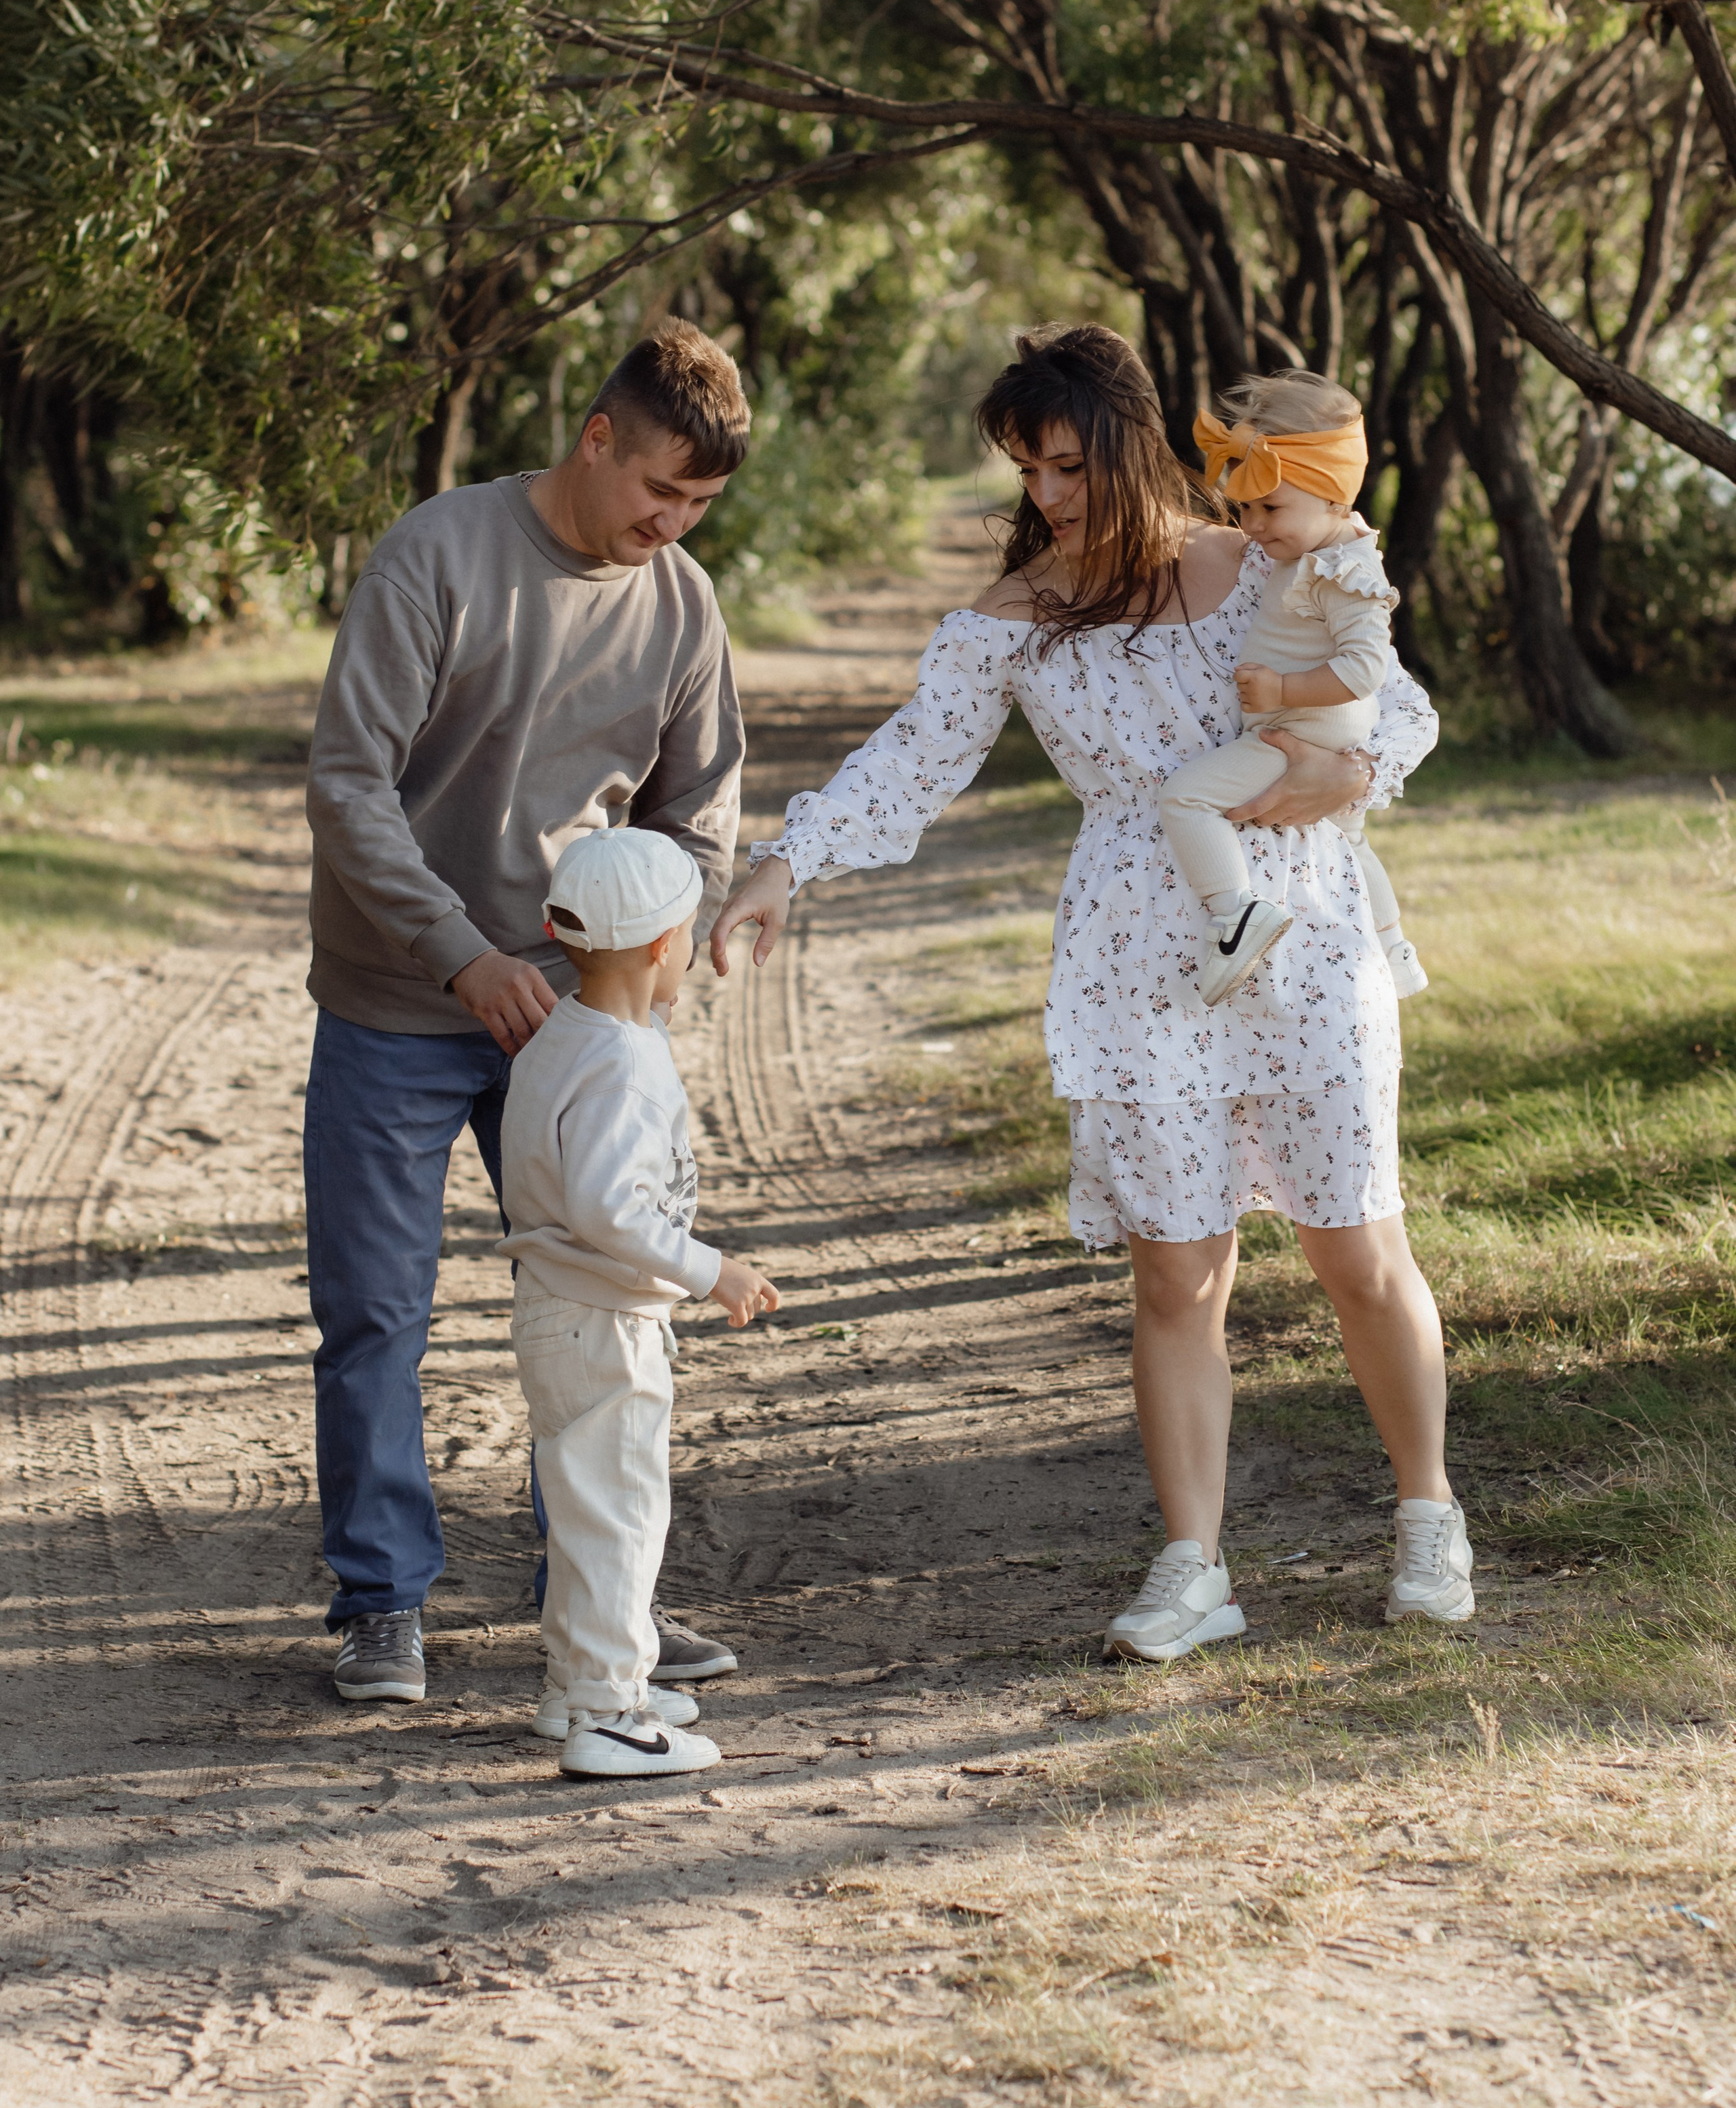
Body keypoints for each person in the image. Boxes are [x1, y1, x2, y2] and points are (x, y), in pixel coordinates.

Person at [711, 323, 1474, 1663]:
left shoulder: (1263, 556)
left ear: (1131, 444)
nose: (1047, 496)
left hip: (1299, 928)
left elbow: (1394, 703)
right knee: (1175, 1278)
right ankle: (1193, 1565)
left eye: (1067, 465)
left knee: (1357, 1250)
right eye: (1027, 470)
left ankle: (1426, 1514)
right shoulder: (1018, 618)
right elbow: (909, 764)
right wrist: (786, 862)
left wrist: (1347, 778)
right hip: (1138, 956)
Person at [304, 320, 751, 1705]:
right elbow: (346, 784)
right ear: (596, 437)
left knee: (607, 1303)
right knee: (377, 1313)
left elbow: (700, 821)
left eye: (696, 507)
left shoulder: (680, 604)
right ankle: (383, 1601)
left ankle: (596, 1595)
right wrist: (458, 955)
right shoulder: (439, 554)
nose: (668, 525)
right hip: (398, 999)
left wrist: (605, 977)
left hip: (574, 1022)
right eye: (656, 491)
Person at [502, 827, 779, 1778]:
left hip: (564, 1313)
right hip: (604, 1323)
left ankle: (579, 1686)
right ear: (666, 946)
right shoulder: (620, 1061)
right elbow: (609, 1208)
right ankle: (614, 1716)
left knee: (587, 1513)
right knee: (620, 1517)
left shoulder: (567, 1034)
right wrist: (712, 1270)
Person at [1158, 373, 1427, 1006]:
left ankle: (1235, 918)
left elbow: (1365, 670)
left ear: (1333, 496)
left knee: (1185, 800)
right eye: (1245, 508)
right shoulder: (1309, 555)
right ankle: (1393, 949)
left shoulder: (1346, 568)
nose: (1251, 525)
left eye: (1270, 508)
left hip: (1301, 732)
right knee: (1353, 842)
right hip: (1316, 729)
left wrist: (1282, 687)